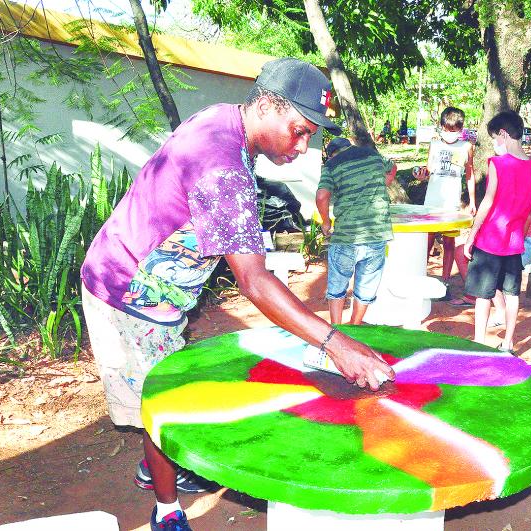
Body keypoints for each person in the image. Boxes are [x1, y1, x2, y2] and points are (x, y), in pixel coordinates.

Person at [80, 57, 395, 531]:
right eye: (299, 131)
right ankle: (166, 508)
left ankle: (155, 465)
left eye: (311, 134)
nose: (304, 146)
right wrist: (336, 342)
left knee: (163, 390)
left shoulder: (224, 119)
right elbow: (253, 281)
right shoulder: (223, 165)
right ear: (268, 105)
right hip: (129, 292)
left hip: (157, 289)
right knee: (158, 403)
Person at [461, 110, 531, 352]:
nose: (495, 143)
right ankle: (507, 343)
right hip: (515, 243)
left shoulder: (498, 164)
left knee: (483, 295)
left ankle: (479, 342)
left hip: (489, 240)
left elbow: (487, 201)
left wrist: (471, 235)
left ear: (504, 135)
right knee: (512, 293)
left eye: (496, 138)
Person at [316, 137, 396, 324]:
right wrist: (385, 181)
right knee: (366, 285)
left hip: (346, 236)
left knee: (338, 283)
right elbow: (392, 167)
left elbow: (322, 196)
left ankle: (337, 328)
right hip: (376, 233)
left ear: (331, 154)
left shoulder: (331, 165)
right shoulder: (372, 154)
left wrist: (326, 223)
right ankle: (355, 325)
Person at [416, 107, 475, 291]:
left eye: (455, 130)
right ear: (441, 126)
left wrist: (472, 201)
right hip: (432, 203)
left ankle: (445, 281)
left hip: (452, 204)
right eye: (448, 129)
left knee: (449, 243)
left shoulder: (466, 146)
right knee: (427, 240)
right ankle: (421, 278)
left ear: (461, 128)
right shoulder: (434, 144)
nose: (451, 134)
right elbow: (428, 170)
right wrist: (421, 175)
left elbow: (470, 175)